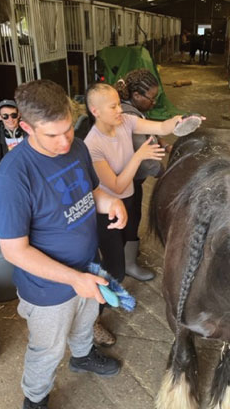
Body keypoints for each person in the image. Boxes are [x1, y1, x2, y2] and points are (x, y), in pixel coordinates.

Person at [0, 80, 128, 409]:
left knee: (85, 320)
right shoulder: (14, 176)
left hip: (87, 266)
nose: (65, 141)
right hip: (48, 288)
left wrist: (110, 201)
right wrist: (73, 279)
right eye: (52, 135)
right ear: (26, 127)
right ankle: (36, 397)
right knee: (48, 348)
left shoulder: (77, 147)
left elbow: (89, 191)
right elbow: (14, 250)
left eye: (68, 128)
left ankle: (82, 355)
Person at [84, 82, 182, 344]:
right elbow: (114, 184)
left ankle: (117, 284)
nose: (120, 109)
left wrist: (181, 122)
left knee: (129, 243)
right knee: (113, 265)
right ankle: (93, 319)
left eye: (119, 102)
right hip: (108, 208)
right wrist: (139, 156)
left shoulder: (125, 122)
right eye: (113, 105)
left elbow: (161, 127)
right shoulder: (92, 145)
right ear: (95, 110)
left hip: (128, 199)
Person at [114, 70, 167, 281]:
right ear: (136, 96)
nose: (154, 102)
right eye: (151, 98)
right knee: (131, 217)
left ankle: (126, 253)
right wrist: (162, 171)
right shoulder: (130, 116)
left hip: (124, 177)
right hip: (127, 178)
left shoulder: (129, 109)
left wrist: (162, 142)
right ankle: (128, 264)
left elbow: (150, 132)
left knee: (129, 215)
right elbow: (145, 157)